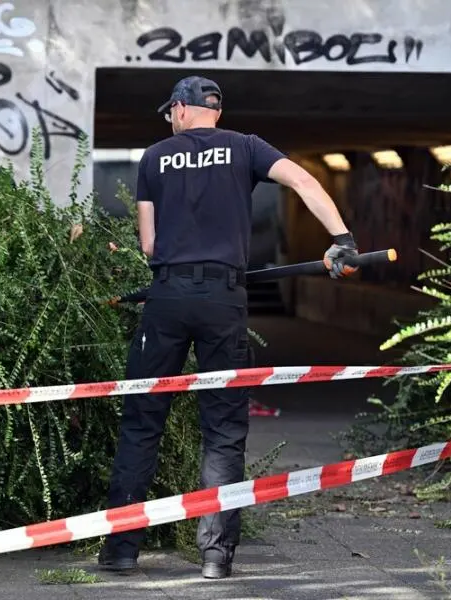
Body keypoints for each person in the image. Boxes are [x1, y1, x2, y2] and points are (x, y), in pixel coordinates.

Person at [98, 75, 359, 580]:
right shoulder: (248, 147)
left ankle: (122, 550)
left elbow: (149, 247)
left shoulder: (155, 157)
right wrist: (342, 239)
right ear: (215, 111)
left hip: (167, 297)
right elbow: (304, 180)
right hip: (224, 299)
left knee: (141, 422)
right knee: (222, 430)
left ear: (179, 109)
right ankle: (216, 557)